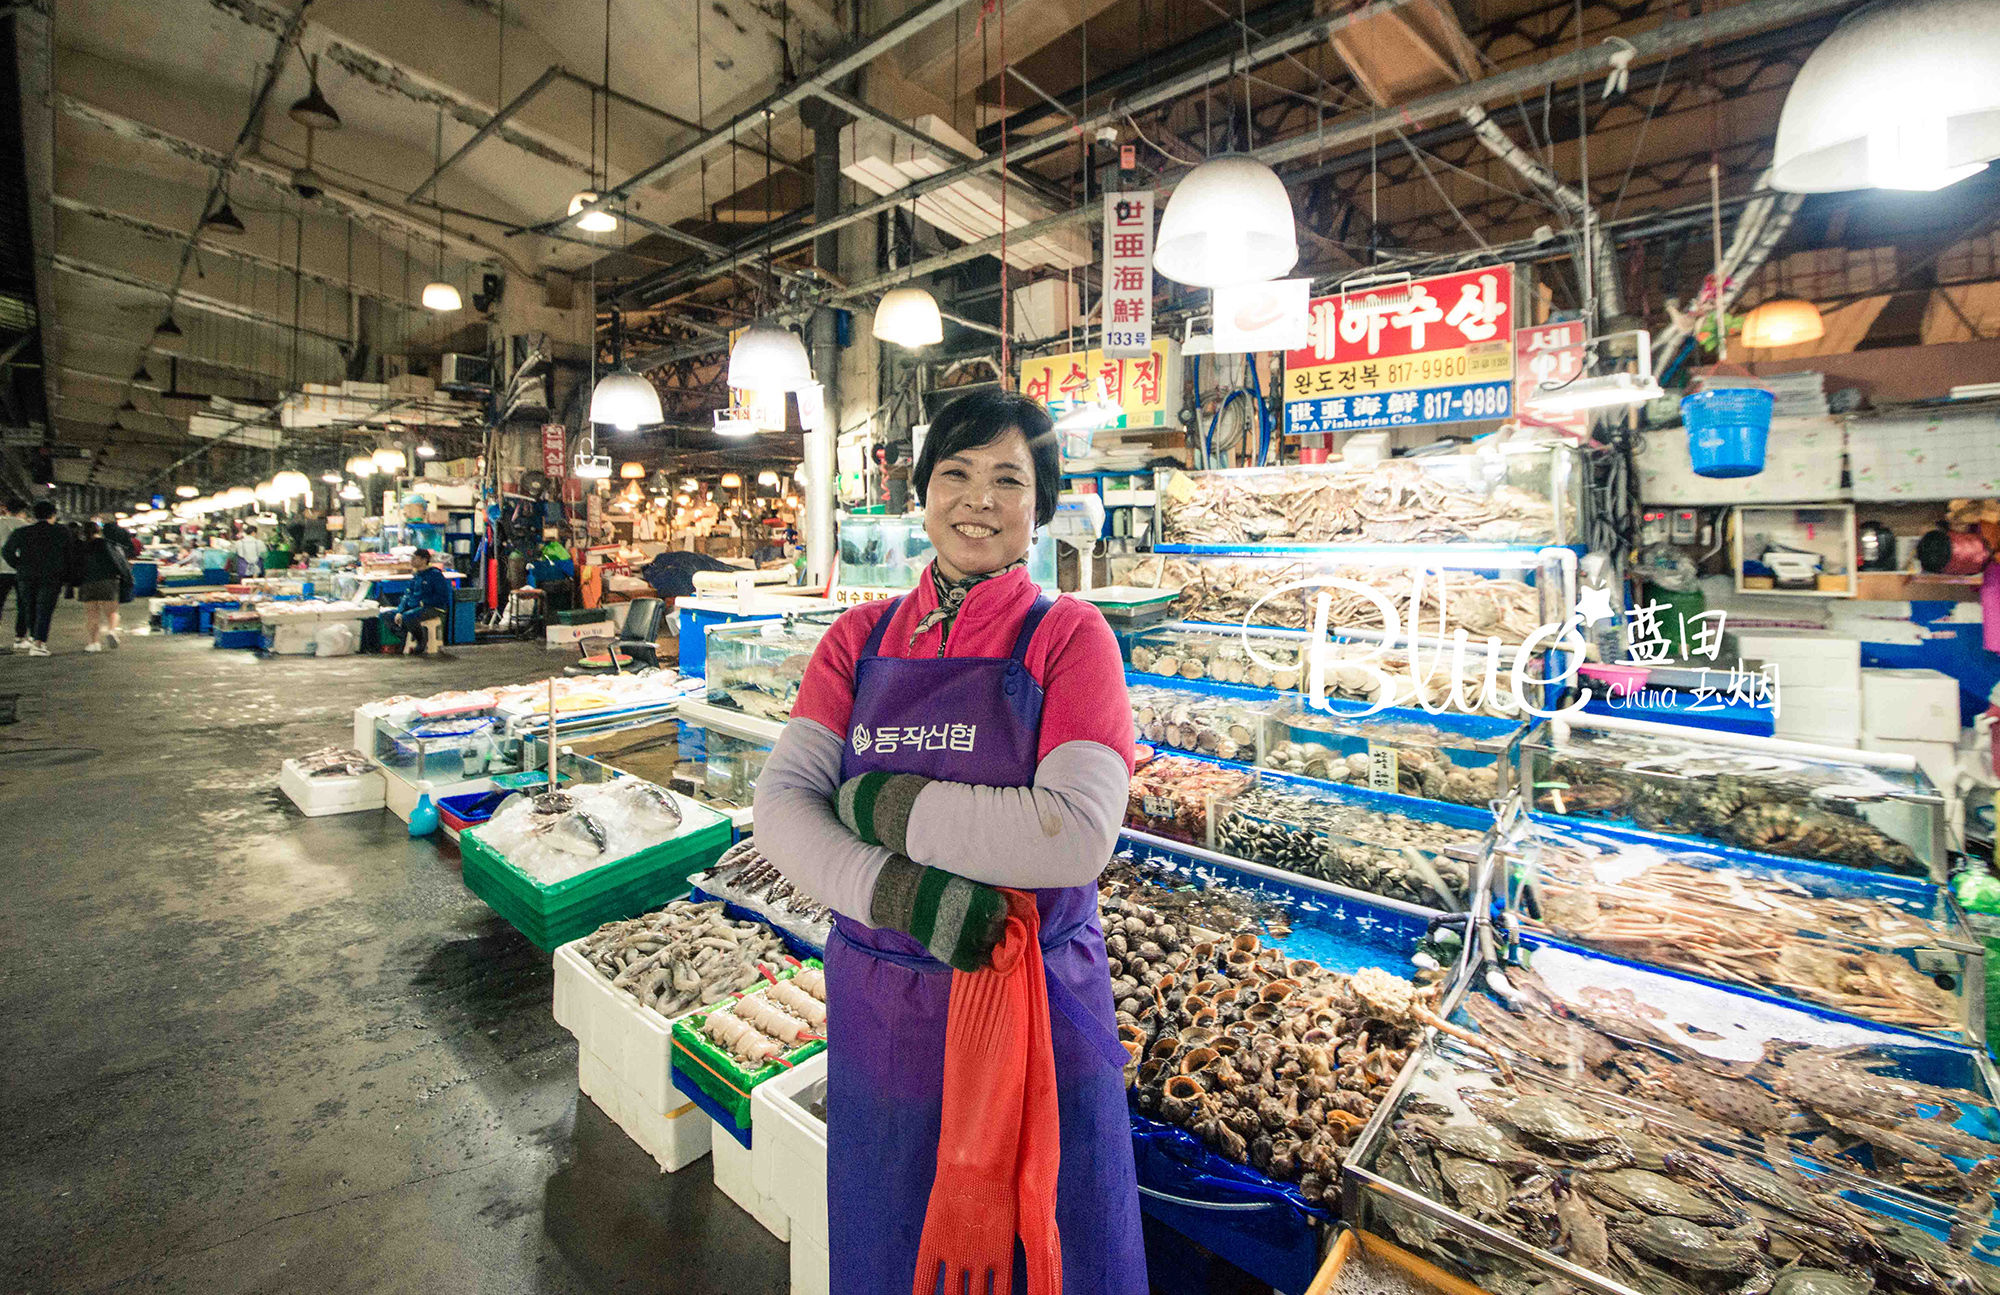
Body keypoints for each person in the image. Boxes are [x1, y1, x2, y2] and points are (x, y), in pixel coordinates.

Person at [754, 390, 1146, 1295]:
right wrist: (902, 894)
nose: (979, 498)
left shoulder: (1070, 637)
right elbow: (782, 807)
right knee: (896, 1243)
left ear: (1040, 506)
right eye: (957, 473)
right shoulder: (856, 640)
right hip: (886, 1008)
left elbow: (1075, 832)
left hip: (1038, 1002)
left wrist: (885, 806)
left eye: (1009, 479)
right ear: (923, 491)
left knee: (1051, 1245)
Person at [3, 501, 70, 656]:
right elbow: (69, 555)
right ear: (53, 515)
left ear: (34, 515)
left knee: (30, 607)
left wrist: (19, 565)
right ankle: (39, 643)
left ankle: (34, 638)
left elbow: (7, 551)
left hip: (26, 576)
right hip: (51, 576)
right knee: (45, 609)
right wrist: (67, 576)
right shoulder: (61, 532)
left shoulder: (22, 532)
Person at [70, 520, 131, 652]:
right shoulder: (108, 544)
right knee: (112, 612)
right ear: (99, 531)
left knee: (92, 614)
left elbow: (73, 566)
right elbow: (120, 563)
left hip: (87, 582)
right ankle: (112, 631)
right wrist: (126, 579)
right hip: (108, 581)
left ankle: (93, 643)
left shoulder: (79, 547)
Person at [387, 547, 453, 654]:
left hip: (432, 608)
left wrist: (424, 602)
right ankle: (404, 638)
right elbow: (407, 595)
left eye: (414, 558)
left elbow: (443, 596)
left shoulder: (435, 575)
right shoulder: (416, 576)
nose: (411, 561)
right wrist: (400, 611)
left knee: (408, 617)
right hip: (414, 607)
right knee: (387, 615)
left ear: (424, 560)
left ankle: (421, 640)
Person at [0, 497, 24, 649]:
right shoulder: (25, 526)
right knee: (23, 604)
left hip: (0, 570)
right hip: (20, 570)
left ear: (6, 508)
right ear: (22, 511)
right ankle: (20, 638)